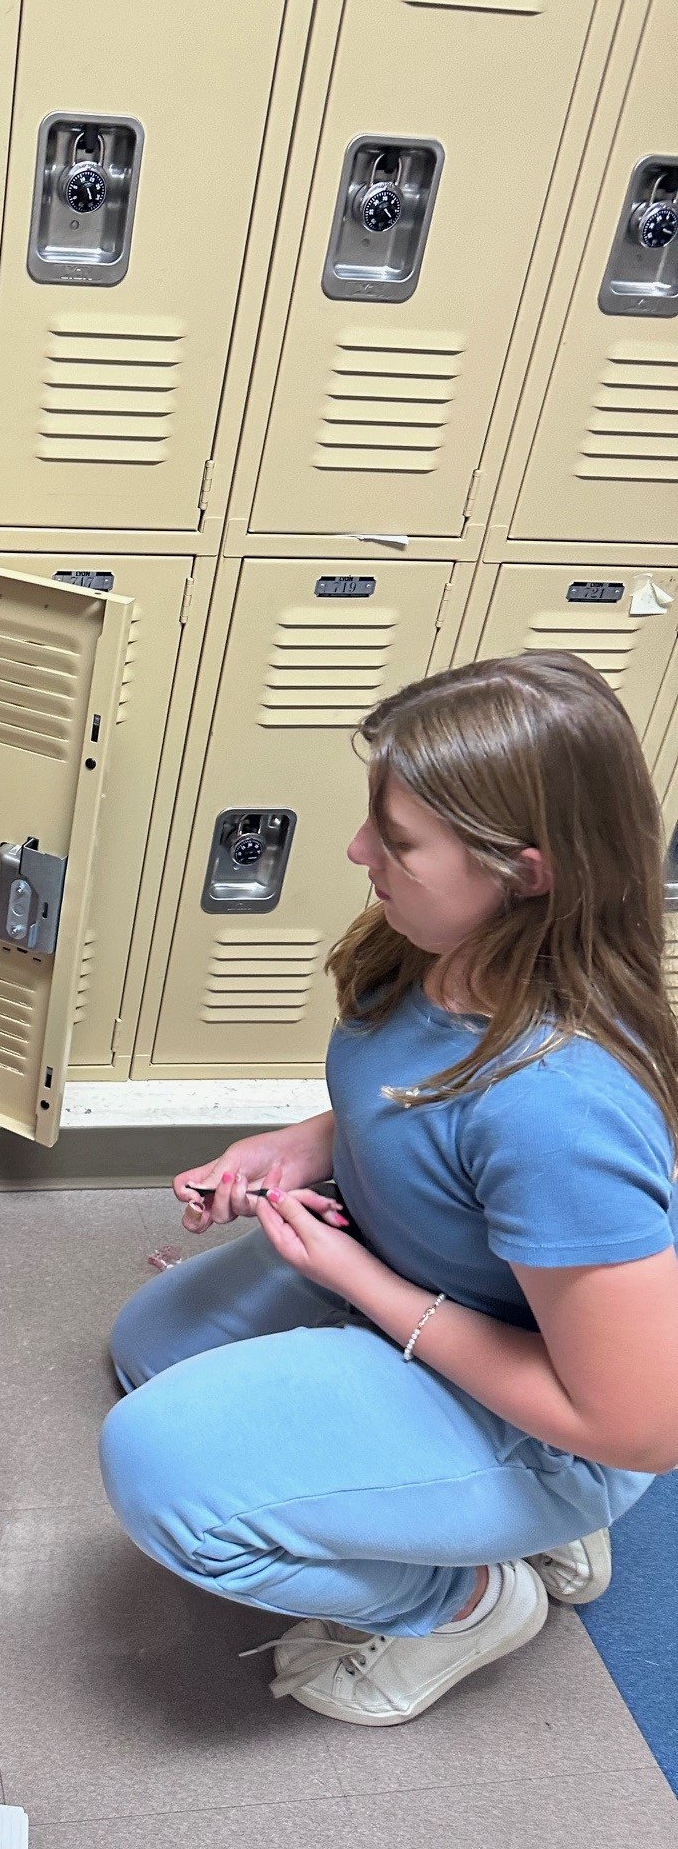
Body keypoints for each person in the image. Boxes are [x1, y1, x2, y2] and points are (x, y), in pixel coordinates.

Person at [100, 652, 678, 1726]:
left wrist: (361, 1282)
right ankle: (470, 1512)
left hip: (565, 1419)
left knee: (158, 1466)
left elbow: (642, 1427)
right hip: (429, 1279)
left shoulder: (561, 1108)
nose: (359, 850)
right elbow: (421, 1101)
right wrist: (306, 1146)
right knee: (149, 1353)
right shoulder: (440, 944)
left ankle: (468, 1600)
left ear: (527, 872)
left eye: (399, 841)